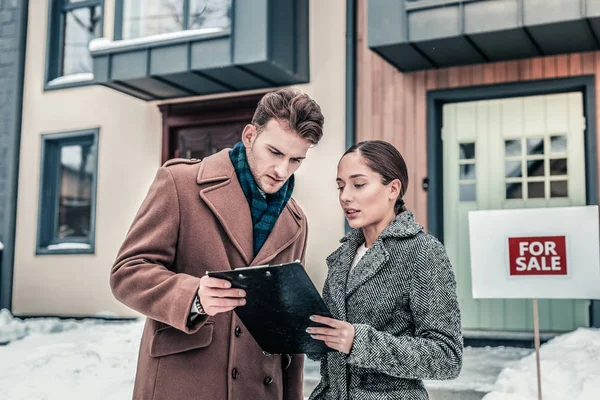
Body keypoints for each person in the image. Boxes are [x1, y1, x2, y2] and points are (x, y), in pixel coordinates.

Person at [110, 88, 325, 400]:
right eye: (275, 153)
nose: (283, 170)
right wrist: (193, 296)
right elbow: (127, 274)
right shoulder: (179, 184)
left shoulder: (296, 221)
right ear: (250, 135)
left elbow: (287, 329)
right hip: (185, 384)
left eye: (296, 160)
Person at [307, 140, 463, 400]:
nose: (345, 196)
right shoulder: (342, 255)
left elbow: (447, 357)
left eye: (358, 184)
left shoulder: (422, 251)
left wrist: (359, 343)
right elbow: (333, 344)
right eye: (340, 186)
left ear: (393, 189)